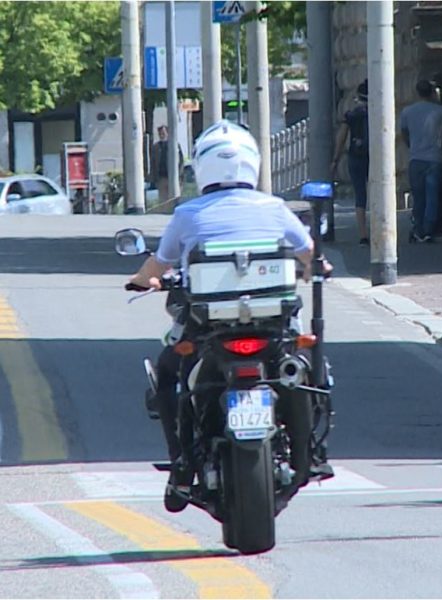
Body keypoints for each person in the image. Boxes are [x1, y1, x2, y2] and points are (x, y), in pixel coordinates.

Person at [127, 119, 333, 511]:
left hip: (208, 328)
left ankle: (180, 468)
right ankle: (311, 453)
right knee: (304, 370)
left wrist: (140, 281)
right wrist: (315, 268)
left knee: (169, 375)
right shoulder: (275, 208)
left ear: (202, 167)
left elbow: (156, 266)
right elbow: (311, 257)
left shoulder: (188, 214)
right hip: (273, 326)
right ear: (252, 163)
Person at [400, 79, 442, 242]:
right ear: (433, 92)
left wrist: (412, 146)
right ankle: (429, 229)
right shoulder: (441, 111)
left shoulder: (407, 112)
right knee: (433, 196)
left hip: (415, 158)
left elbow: (404, 133)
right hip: (434, 158)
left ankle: (418, 228)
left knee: (418, 196)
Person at [332, 80, 370, 245]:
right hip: (376, 157)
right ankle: (381, 228)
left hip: (356, 156)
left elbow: (341, 138)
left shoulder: (352, 115)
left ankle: (363, 234)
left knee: (360, 194)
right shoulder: (379, 112)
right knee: (379, 192)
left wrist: (335, 159)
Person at [150, 125, 183, 204]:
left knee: (174, 198)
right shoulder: (156, 147)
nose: (162, 135)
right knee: (163, 199)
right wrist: (153, 178)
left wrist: (180, 175)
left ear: (167, 133)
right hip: (161, 177)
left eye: (163, 133)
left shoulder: (175, 145)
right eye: (160, 134)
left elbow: (181, 161)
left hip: (173, 177)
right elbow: (153, 163)